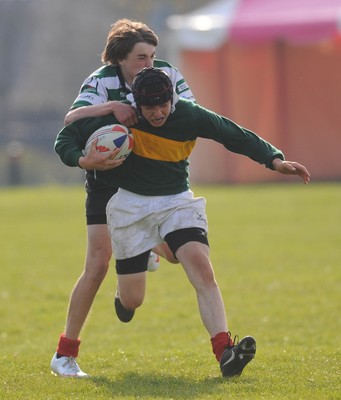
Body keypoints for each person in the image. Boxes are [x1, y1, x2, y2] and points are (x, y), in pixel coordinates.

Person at [54, 67, 310, 378]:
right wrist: (83, 160)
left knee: (200, 266)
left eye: (163, 105)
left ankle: (224, 352)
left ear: (172, 99)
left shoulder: (188, 114)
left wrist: (275, 160)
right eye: (150, 108)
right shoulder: (121, 118)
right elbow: (66, 137)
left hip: (176, 201)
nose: (158, 113)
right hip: (130, 207)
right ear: (137, 103)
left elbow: (233, 134)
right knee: (133, 299)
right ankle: (129, 287)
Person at [50, 19, 195, 378]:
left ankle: (145, 246)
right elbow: (72, 118)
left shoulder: (166, 73)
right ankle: (64, 356)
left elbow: (191, 113)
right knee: (98, 264)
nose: (150, 63)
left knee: (179, 255)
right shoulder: (102, 80)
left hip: (153, 181)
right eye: (141, 57)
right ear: (120, 59)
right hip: (107, 181)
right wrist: (111, 109)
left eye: (152, 55)